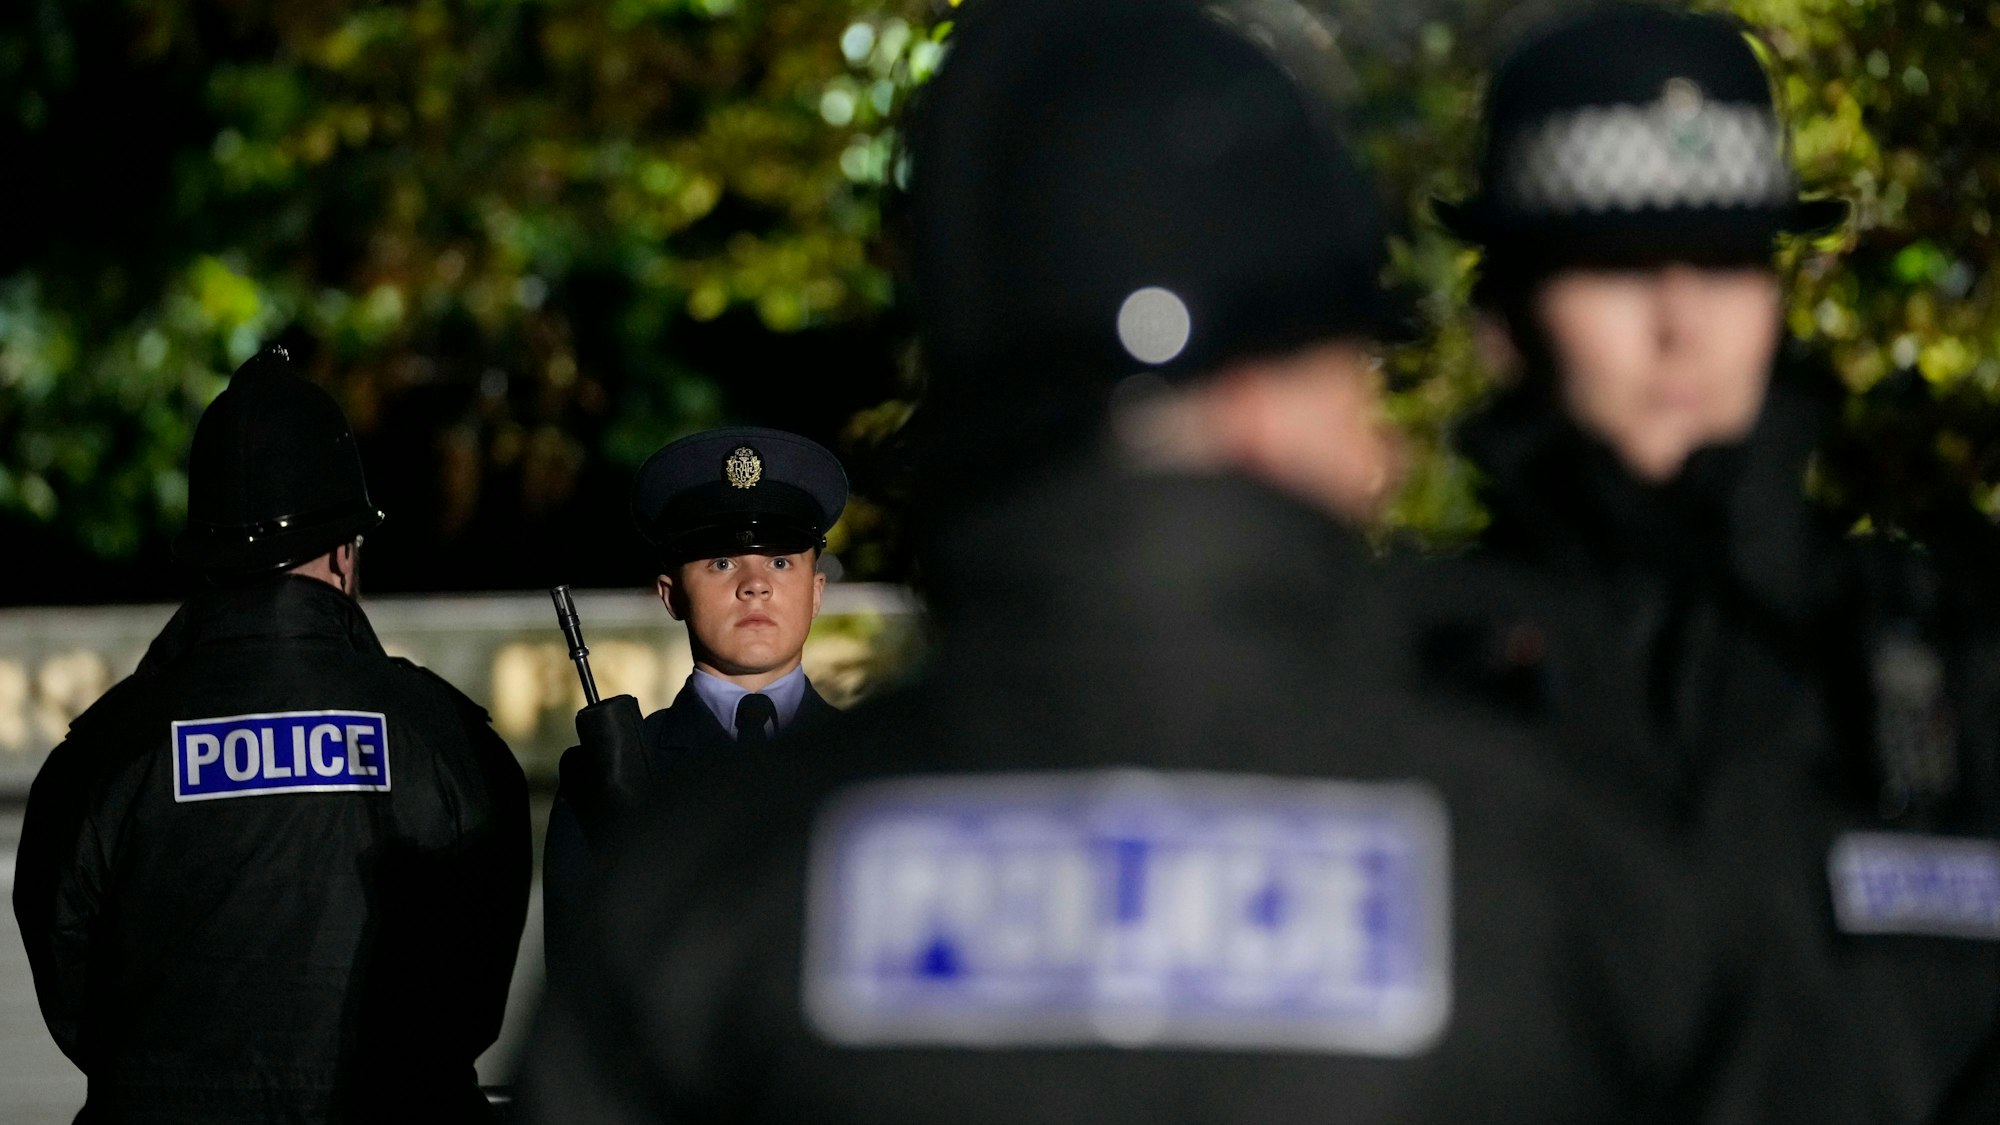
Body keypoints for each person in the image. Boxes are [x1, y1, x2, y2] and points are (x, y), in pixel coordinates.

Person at [517, 0, 1766, 1120]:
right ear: (1265, 403)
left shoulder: (709, 890)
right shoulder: (1554, 875)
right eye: (1354, 376)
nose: (1380, 450)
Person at [1426, 6, 2000, 1121]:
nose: (1679, 320)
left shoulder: (1947, 672)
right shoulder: (1395, 679)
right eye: (1618, 265)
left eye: (1724, 260)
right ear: (1504, 315)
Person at [11, 345, 531, 1123]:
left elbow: (70, 981)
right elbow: (476, 990)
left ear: (207, 554)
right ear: (346, 550)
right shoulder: (445, 737)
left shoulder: (108, 746)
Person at [540, 426, 847, 979]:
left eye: (780, 562)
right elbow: (578, 989)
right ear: (672, 595)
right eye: (722, 563)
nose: (755, 585)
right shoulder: (610, 773)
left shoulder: (872, 763)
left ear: (817, 591)